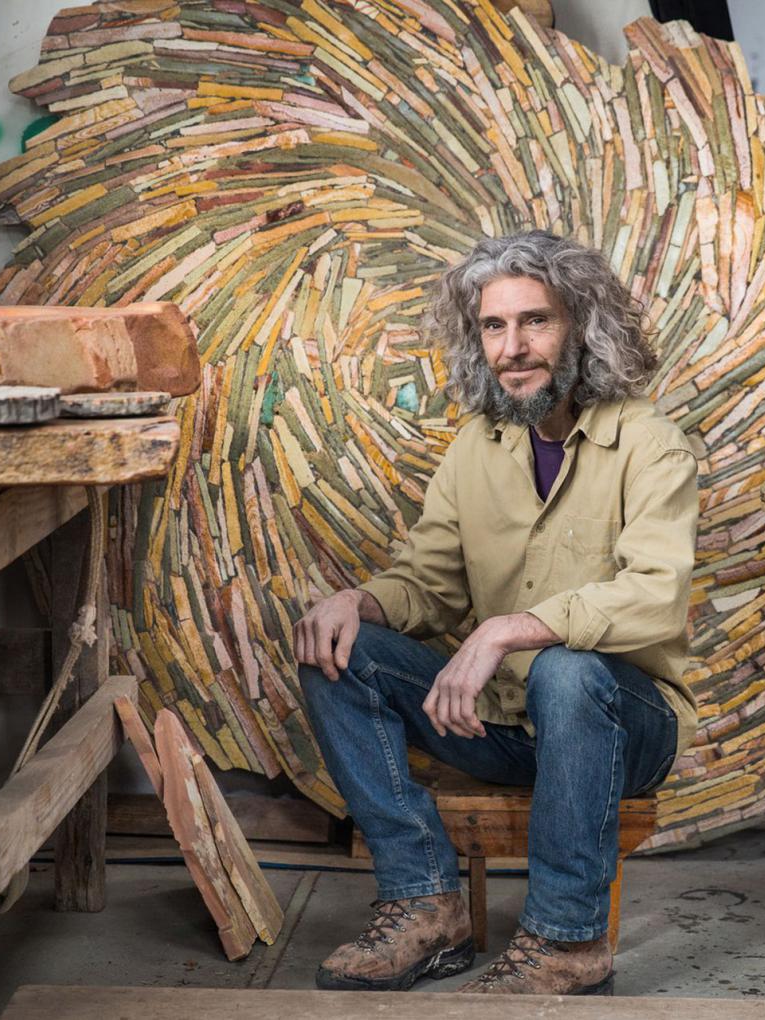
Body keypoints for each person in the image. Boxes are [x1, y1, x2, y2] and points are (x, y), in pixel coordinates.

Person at [295, 230, 699, 996]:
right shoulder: (474, 450)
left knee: (570, 672)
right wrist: (359, 601)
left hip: (622, 727)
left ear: (582, 324)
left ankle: (565, 943)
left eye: (535, 321)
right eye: (493, 326)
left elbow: (655, 595)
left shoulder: (650, 446)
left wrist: (508, 627)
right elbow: (430, 584)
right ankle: (424, 906)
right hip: (502, 726)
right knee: (338, 650)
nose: (512, 347)